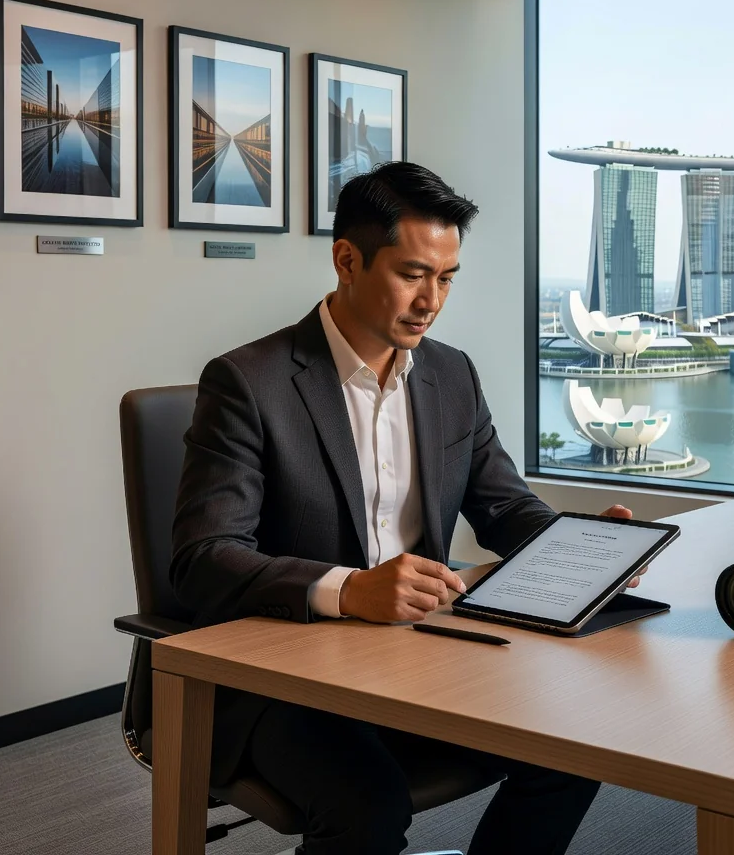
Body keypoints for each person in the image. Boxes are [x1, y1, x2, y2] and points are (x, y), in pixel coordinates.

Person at [171, 161, 640, 855]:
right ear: (346, 260)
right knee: (370, 806)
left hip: (425, 656)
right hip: (285, 675)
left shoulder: (451, 373)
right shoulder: (248, 383)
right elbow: (203, 560)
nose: (431, 300)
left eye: (446, 278)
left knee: (578, 744)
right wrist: (350, 591)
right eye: (413, 274)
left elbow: (505, 506)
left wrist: (584, 546)